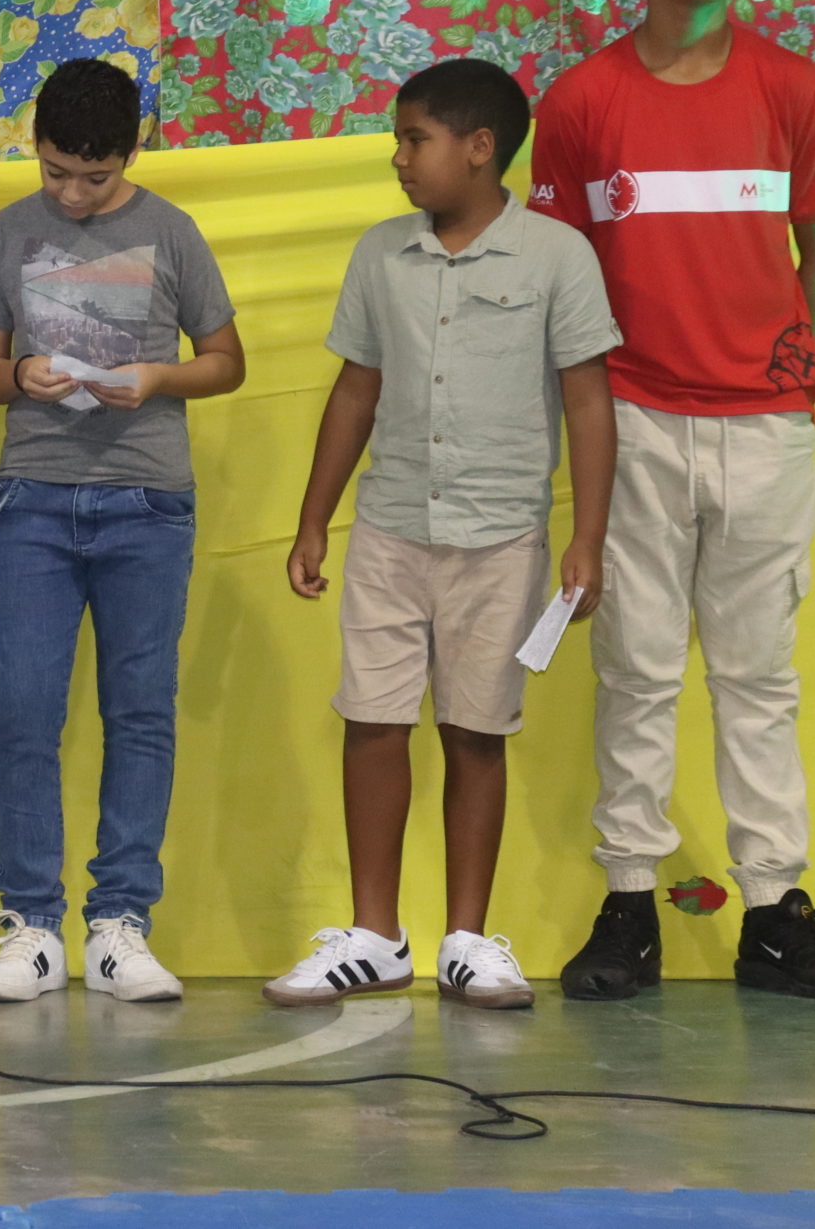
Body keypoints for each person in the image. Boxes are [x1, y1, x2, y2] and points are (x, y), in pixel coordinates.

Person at [530, 0, 815, 1001]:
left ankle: (772, 911)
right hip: (631, 422)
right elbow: (559, 275)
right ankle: (629, 902)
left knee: (757, 676)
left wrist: (790, 363)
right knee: (633, 668)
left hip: (765, 429)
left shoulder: (790, 88)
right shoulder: (581, 102)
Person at [267, 59, 619, 1011]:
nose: (398, 157)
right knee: (372, 718)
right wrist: (314, 518)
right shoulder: (381, 254)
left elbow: (589, 402)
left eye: (414, 139)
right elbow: (356, 390)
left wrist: (587, 538)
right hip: (389, 528)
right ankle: (374, 934)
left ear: (479, 148)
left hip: (500, 539)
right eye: (398, 140)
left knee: (476, 729)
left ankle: (467, 939)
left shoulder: (556, 256)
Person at [0, 58, 244, 1005]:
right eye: (55, 172)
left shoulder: (172, 231)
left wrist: (159, 378)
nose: (73, 195)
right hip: (32, 500)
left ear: (133, 152)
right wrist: (23, 372)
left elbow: (227, 359)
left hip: (147, 502)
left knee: (141, 711)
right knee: (22, 711)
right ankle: (31, 925)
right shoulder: (11, 229)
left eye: (95, 176)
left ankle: (120, 921)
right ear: (35, 145)